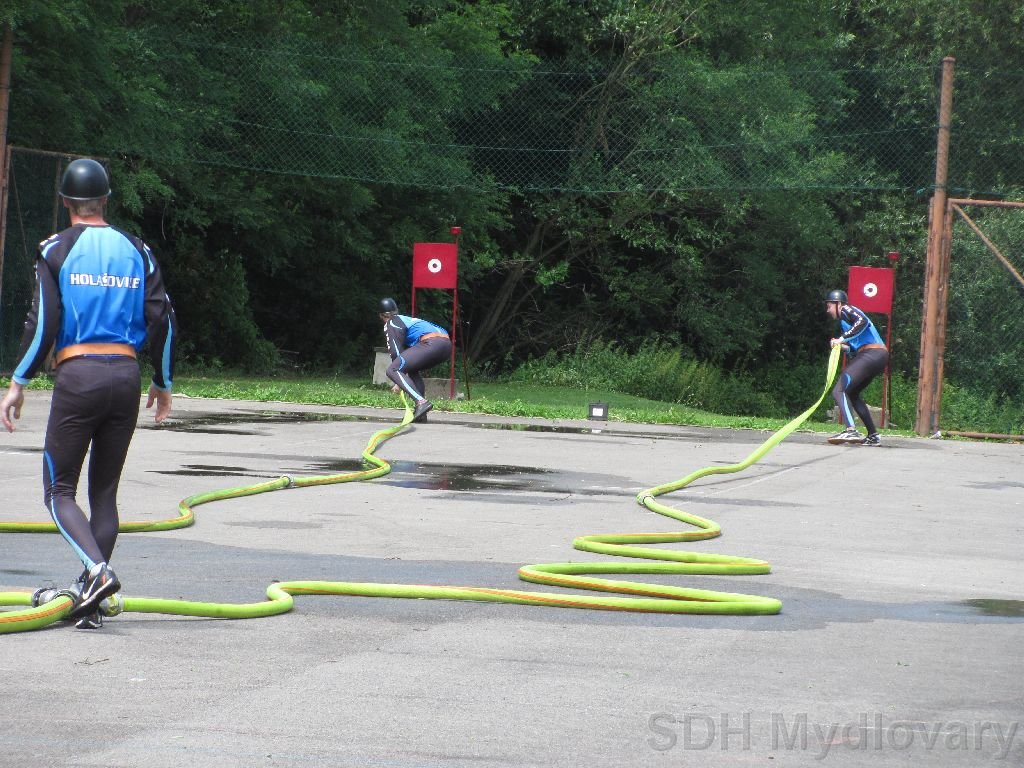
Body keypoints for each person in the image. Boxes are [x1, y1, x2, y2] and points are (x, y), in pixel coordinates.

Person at [0, 158, 177, 629]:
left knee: (58, 490)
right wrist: (163, 382)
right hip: (126, 375)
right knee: (104, 493)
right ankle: (91, 603)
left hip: (79, 376)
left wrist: (18, 382)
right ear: (105, 201)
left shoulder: (55, 249)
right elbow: (163, 319)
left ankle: (97, 573)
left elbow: (43, 323)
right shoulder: (137, 249)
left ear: (66, 202)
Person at [824, 289, 888, 446]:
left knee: (839, 390)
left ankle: (850, 430)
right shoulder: (845, 323)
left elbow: (862, 321)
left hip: (872, 353)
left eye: (829, 306)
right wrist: (842, 346)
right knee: (852, 393)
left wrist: (841, 339)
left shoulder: (847, 309)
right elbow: (854, 349)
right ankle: (873, 436)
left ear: (838, 304)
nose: (828, 310)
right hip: (875, 356)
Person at [379, 298, 451, 423]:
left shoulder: (392, 322)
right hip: (446, 345)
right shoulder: (407, 319)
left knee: (393, 369)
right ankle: (421, 414)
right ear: (396, 311)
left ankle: (421, 402)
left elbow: (395, 352)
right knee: (412, 369)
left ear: (381, 316)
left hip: (431, 343)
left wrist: (398, 381)